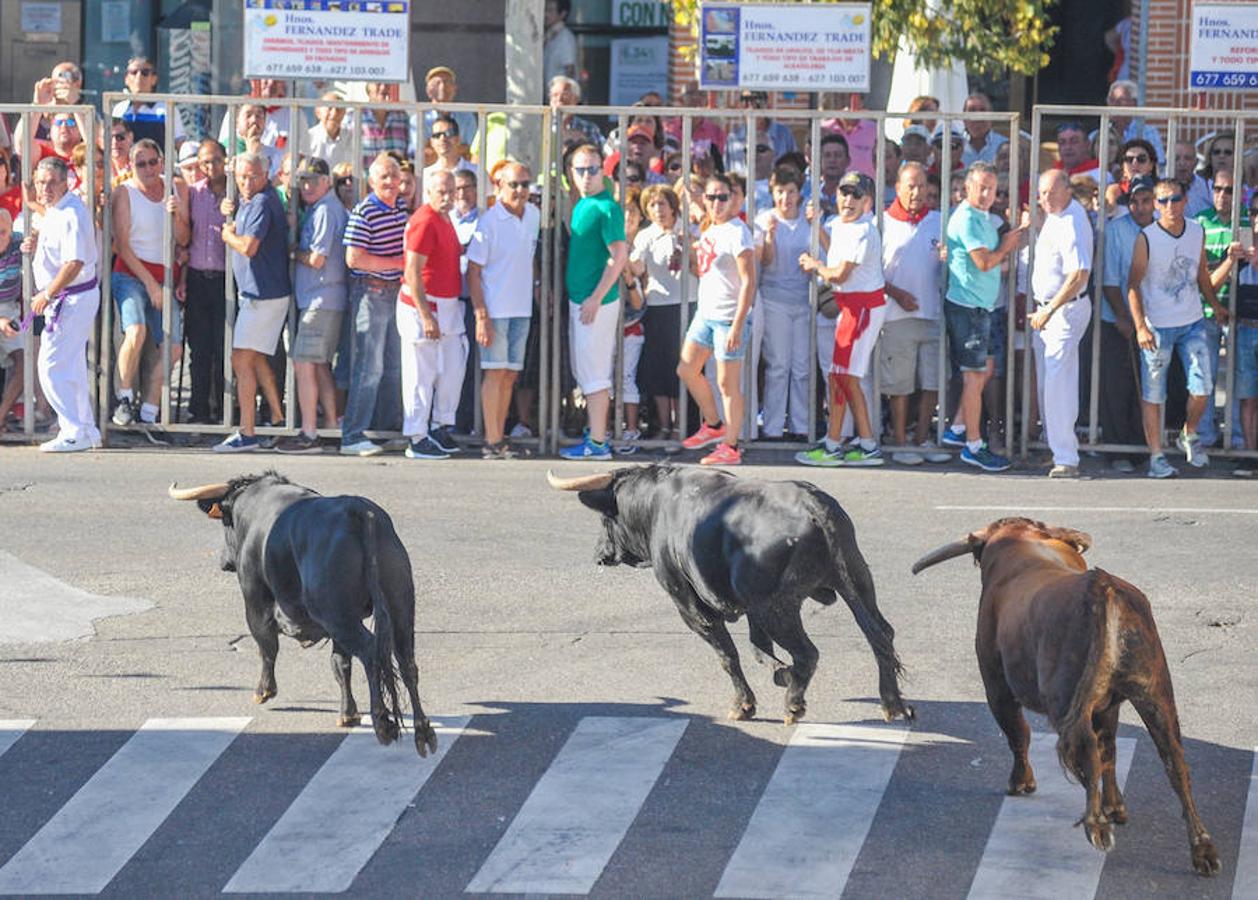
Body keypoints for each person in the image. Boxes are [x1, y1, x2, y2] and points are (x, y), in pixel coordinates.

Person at [1125, 178, 1231, 478]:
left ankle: (1189, 431)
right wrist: (1140, 327)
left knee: (1203, 385)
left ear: (1186, 200)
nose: (1169, 206)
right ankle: (1157, 455)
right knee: (1154, 393)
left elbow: (1200, 274)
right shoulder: (1146, 237)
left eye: (1174, 199)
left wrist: (1216, 305)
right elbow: (1132, 284)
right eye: (1162, 201)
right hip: (1157, 325)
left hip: (1192, 320)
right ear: (1156, 206)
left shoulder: (1196, 231)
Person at [795, 172, 885, 466]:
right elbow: (836, 249)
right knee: (842, 378)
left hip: (861, 309)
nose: (848, 199)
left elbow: (840, 273)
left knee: (843, 377)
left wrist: (814, 264)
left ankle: (838, 446)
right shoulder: (843, 225)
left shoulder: (862, 229)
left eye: (856, 195)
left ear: (868, 202)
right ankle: (862, 443)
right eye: (845, 193)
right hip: (852, 308)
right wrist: (818, 227)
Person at [940, 162, 1025, 471]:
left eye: (993, 188)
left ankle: (959, 427)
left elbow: (995, 263)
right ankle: (973, 446)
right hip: (968, 308)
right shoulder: (966, 219)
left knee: (985, 368)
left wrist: (1010, 243)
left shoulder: (984, 219)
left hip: (982, 307)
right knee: (974, 376)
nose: (989, 194)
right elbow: (985, 262)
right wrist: (1007, 246)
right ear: (967, 188)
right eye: (983, 188)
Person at [21, 158, 101, 452]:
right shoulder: (59, 209)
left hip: (71, 297)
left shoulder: (71, 213)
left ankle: (73, 429)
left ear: (66, 182)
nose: (45, 188)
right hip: (70, 297)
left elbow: (74, 261)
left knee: (51, 365)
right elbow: (50, 222)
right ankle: (86, 429)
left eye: (52, 182)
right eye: (41, 182)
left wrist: (47, 294)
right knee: (72, 366)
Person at [109, 138, 188, 433]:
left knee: (174, 348)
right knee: (137, 329)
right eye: (140, 163)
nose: (148, 168)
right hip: (131, 273)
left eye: (152, 162)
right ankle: (125, 398)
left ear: (162, 161)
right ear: (131, 166)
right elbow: (122, 246)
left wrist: (178, 213)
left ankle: (149, 412)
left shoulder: (175, 188)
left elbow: (183, 239)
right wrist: (151, 286)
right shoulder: (124, 193)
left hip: (165, 274)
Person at [215, 151, 291, 452]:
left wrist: (227, 235)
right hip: (258, 293)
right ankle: (276, 415)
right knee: (256, 357)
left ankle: (247, 432)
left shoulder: (262, 201)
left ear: (265, 175)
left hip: (264, 295)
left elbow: (247, 246)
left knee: (241, 359)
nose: (247, 182)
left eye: (253, 176)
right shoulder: (252, 200)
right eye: (242, 176)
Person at [677, 172, 755, 466]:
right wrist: (692, 194)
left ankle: (731, 446)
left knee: (727, 384)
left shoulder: (739, 231)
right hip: (706, 314)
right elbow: (696, 204)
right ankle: (713, 425)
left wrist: (738, 322)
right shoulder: (709, 226)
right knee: (686, 369)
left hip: (727, 317)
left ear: (734, 199)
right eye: (712, 197)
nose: (717, 202)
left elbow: (749, 281)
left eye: (723, 197)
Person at [276, 158, 349, 454]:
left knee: (304, 363)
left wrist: (293, 252)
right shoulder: (322, 209)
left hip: (322, 297)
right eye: (303, 180)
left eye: (313, 180)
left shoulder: (326, 211)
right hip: (322, 297)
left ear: (327, 182)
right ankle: (330, 427)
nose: (307, 186)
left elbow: (317, 258)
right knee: (318, 365)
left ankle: (309, 432)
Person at [879, 162, 951, 465]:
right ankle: (900, 441)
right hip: (896, 317)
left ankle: (922, 440)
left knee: (932, 382)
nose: (917, 192)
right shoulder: (882, 223)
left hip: (933, 314)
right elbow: (871, 272)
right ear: (897, 187)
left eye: (922, 185)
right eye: (911, 185)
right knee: (900, 384)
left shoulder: (938, 220)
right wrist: (896, 293)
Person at [467, 161, 539, 459]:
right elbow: (473, 271)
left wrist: (538, 288)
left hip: (522, 308)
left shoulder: (534, 215)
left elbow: (529, 256)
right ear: (499, 186)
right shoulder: (488, 222)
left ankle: (499, 438)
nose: (520, 190)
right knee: (495, 373)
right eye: (514, 184)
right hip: (495, 310)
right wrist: (481, 314)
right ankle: (492, 440)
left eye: (524, 184)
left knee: (510, 374)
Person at [560, 144, 627, 460]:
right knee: (586, 370)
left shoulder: (607, 208)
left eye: (592, 169)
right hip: (583, 301)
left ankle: (598, 443)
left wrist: (596, 298)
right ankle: (595, 435)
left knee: (595, 373)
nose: (586, 176)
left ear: (603, 170)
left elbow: (620, 255)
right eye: (580, 169)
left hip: (594, 303)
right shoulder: (584, 204)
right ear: (571, 173)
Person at [340, 153, 408, 457]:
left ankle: (384, 430)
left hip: (394, 293)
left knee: (393, 367)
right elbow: (353, 259)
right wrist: (398, 263)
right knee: (369, 367)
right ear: (371, 181)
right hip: (371, 292)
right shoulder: (365, 211)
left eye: (395, 176)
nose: (392, 182)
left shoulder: (401, 207)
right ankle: (353, 435)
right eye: (385, 177)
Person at [395, 169, 466, 460]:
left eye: (452, 191)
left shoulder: (445, 218)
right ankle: (417, 435)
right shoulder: (424, 220)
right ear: (429, 192)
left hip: (446, 305)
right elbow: (412, 270)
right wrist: (426, 316)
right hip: (424, 305)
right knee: (419, 373)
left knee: (450, 368)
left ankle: (438, 426)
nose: (448, 197)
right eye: (442, 192)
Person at [1028, 169, 1094, 478]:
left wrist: (1050, 310)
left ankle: (1067, 457)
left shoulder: (1072, 220)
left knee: (1058, 384)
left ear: (1067, 190)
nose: (1045, 199)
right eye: (1041, 193)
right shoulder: (1056, 216)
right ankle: (1058, 448)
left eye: (1051, 193)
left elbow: (1079, 276)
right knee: (1049, 383)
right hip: (1049, 312)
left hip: (1063, 311)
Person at [629, 184, 693, 441]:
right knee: (659, 370)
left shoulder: (687, 230)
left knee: (680, 367)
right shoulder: (646, 235)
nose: (658, 210)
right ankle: (665, 425)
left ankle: (681, 426)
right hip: (657, 306)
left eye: (662, 204)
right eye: (652, 205)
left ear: (673, 205)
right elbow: (636, 267)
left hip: (686, 303)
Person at [754, 165, 812, 439]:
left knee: (801, 366)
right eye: (780, 192)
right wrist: (769, 237)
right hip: (774, 299)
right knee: (779, 365)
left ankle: (801, 425)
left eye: (791, 192)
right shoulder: (764, 219)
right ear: (772, 193)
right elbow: (763, 262)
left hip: (803, 300)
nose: (785, 198)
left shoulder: (809, 221)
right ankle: (774, 427)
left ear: (800, 194)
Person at [1193, 168, 1248, 447]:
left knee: (1240, 379)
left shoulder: (1248, 221)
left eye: (1228, 190)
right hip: (1207, 310)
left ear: (1240, 193)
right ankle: (1204, 436)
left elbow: (1249, 266)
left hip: (1240, 311)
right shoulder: (1200, 221)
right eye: (1217, 189)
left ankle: (1237, 437)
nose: (1222, 196)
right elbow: (1200, 273)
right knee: (1206, 375)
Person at [182, 139, 228, 424]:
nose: (210, 167)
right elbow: (186, 239)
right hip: (199, 278)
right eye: (204, 162)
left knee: (224, 348)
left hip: (226, 279)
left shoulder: (236, 192)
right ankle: (198, 411)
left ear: (225, 160)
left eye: (215, 160)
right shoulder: (193, 194)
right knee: (199, 349)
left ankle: (224, 411)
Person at [110, 56, 183, 149]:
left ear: (154, 79)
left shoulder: (167, 110)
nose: (139, 77)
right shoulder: (119, 110)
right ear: (126, 79)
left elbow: (179, 143)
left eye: (145, 72)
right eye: (134, 72)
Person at [0, 209, 28, 428]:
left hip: (10, 308)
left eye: (3, 232)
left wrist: (32, 243)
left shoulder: (17, 241)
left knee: (23, 362)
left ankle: (1, 415)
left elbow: (34, 235)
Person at [417, 66, 478, 149]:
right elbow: (421, 152)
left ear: (455, 89)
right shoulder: (419, 118)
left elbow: (471, 151)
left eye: (447, 82)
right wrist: (456, 149)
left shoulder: (467, 118)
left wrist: (435, 148)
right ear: (428, 90)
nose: (442, 86)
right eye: (437, 83)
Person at [1107, 80, 1165, 165]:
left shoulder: (1149, 132)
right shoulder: (1099, 134)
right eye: (1111, 100)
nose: (1114, 105)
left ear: (1133, 103)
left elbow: (1159, 164)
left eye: (1120, 100)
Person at [360, 82, 411, 169]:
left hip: (395, 180)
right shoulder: (355, 117)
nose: (383, 87)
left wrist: (404, 171)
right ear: (368, 87)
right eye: (378, 83)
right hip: (365, 180)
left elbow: (406, 155)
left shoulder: (401, 117)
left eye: (387, 83)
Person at [550, 76, 604, 150]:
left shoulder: (589, 129)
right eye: (555, 95)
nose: (559, 99)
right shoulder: (541, 126)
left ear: (576, 100)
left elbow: (602, 155)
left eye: (565, 95)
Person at [423, 114, 480, 183]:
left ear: (458, 139)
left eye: (448, 133)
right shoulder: (425, 176)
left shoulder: (478, 172)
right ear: (432, 142)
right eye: (437, 135)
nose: (443, 138)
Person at [307, 94, 353, 172]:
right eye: (329, 108)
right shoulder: (308, 138)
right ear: (318, 112)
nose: (334, 113)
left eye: (338, 109)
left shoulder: (351, 138)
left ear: (344, 113)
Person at [961, 92, 1008, 167]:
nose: (978, 116)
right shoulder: (954, 146)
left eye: (983, 110)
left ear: (991, 116)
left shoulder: (1004, 146)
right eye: (972, 111)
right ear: (963, 117)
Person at [543, 0, 577, 98]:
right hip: (550, 96)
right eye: (545, 10)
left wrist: (564, 96)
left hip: (561, 98)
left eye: (550, 10)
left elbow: (570, 69)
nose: (546, 14)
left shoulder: (565, 37)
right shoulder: (550, 36)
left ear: (562, 14)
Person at [1174, 140, 1212, 217]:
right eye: (1176, 158)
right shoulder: (1158, 186)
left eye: (1187, 158)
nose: (1182, 163)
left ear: (1196, 162)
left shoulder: (1208, 187)